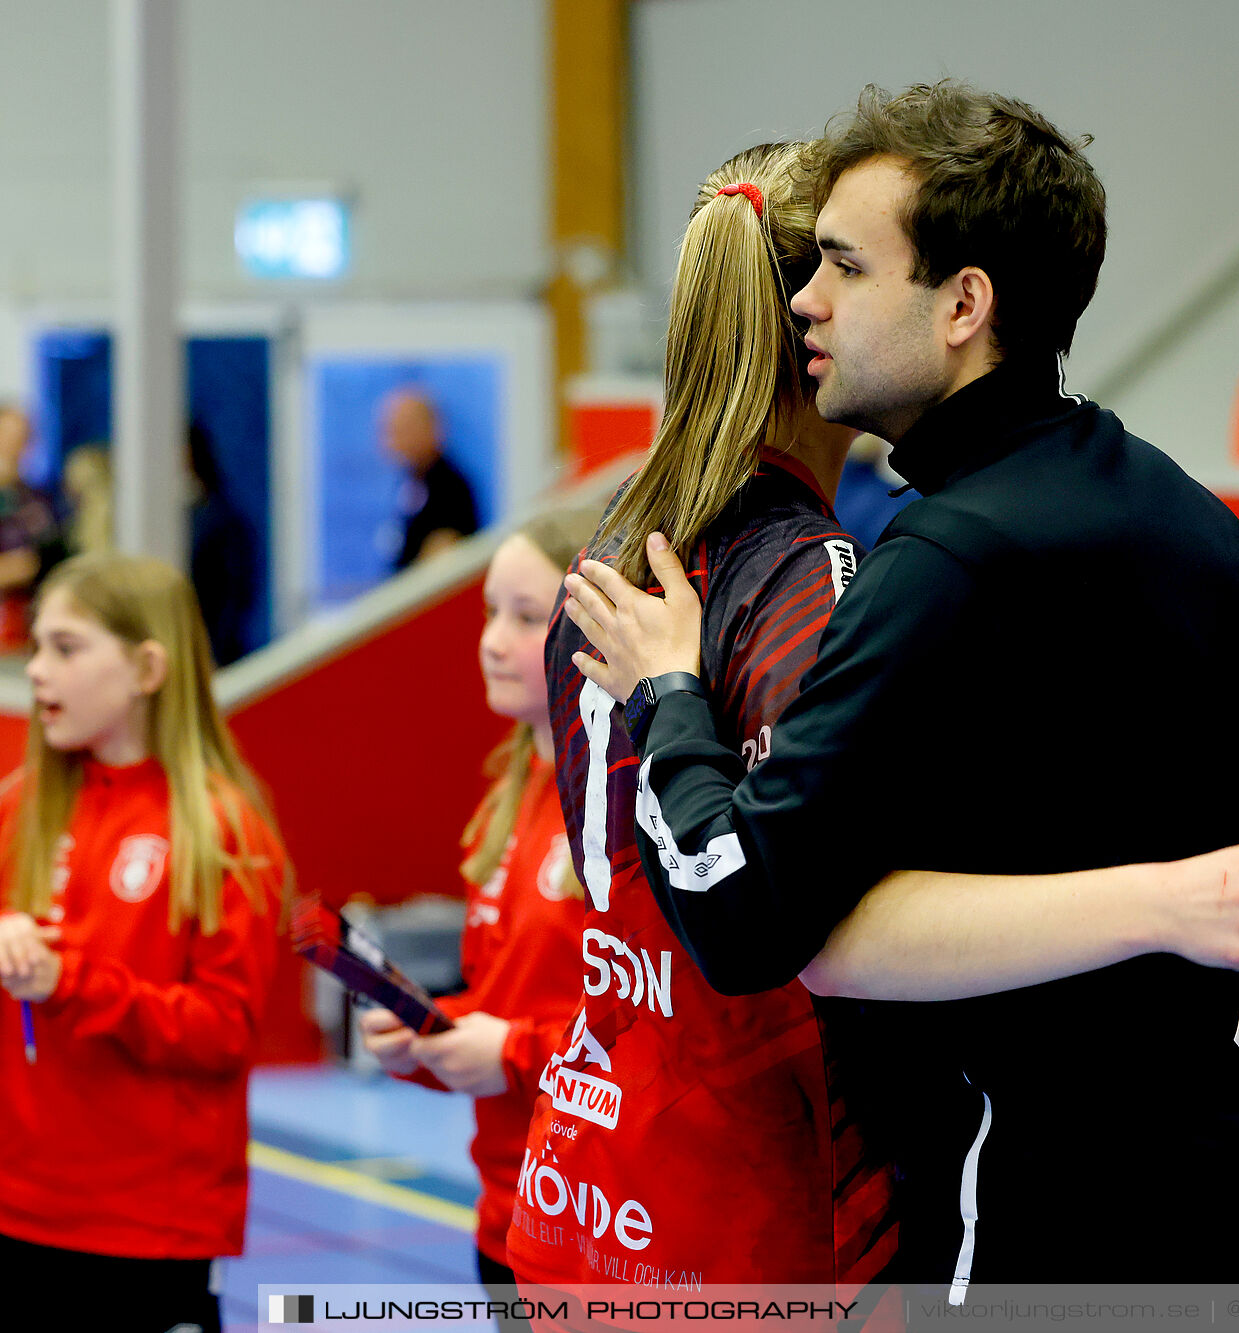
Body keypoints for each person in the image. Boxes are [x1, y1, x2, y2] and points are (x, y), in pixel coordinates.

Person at [560, 82, 1239, 1301]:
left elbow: (750, 924)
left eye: (844, 265)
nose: (804, 302)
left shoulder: (942, 564)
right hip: (1204, 1188)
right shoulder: (1182, 513)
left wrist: (671, 693)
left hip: (1024, 1223)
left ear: (963, 303)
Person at [504, 141, 902, 1295]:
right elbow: (775, 909)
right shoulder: (803, 568)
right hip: (746, 1197)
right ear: (815, 320)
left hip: (593, 1164)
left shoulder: (616, 538)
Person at [0, 552, 288, 1333]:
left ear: (147, 666)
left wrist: (70, 981)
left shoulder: (222, 830)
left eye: (65, 648)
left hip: (146, 1228)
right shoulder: (23, 805)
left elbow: (225, 1030)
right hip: (18, 1206)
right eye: (35, 648)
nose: (37, 670)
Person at [358, 510, 589, 1322]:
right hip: (505, 1207)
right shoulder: (512, 798)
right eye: (489, 612)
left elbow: (662, 1034)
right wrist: (429, 1032)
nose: (492, 640)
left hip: (602, 1226)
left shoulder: (626, 810)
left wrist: (516, 1053)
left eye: (525, 618)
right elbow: (507, 1001)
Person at [187, 422, 260, 666]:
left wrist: (214, 652)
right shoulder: (186, 516)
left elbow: (236, 594)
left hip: (218, 654)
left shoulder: (221, 519)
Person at [383, 388, 479, 570]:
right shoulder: (410, 480)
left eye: (403, 429)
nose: (392, 439)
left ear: (431, 427)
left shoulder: (450, 487)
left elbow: (442, 559)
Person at [0, 403, 61, 652]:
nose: (15, 446)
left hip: (29, 625)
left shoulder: (38, 499)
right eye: (8, 436)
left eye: (23, 437)